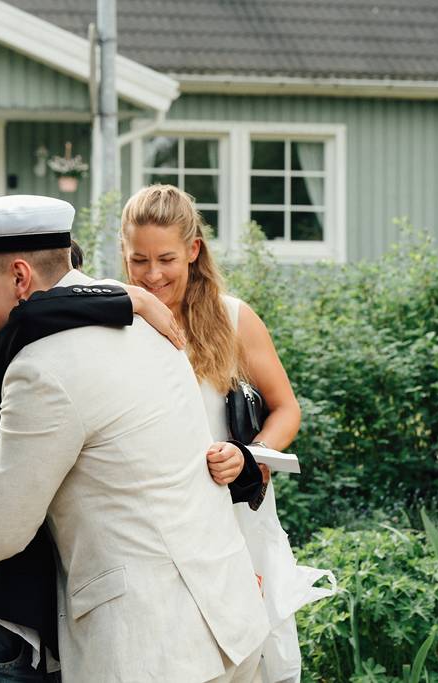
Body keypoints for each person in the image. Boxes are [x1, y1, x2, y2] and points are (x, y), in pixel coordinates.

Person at [0, 195, 269, 683]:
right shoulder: (143, 319)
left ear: (19, 277)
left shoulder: (42, 368)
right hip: (230, 618)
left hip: (149, 651)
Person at [120, 184, 307, 681]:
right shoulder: (113, 324)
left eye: (166, 259)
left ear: (193, 250)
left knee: (244, 658)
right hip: (151, 531)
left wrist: (250, 454)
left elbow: (287, 409)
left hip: (232, 520)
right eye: (139, 260)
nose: (152, 275)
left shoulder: (233, 318)